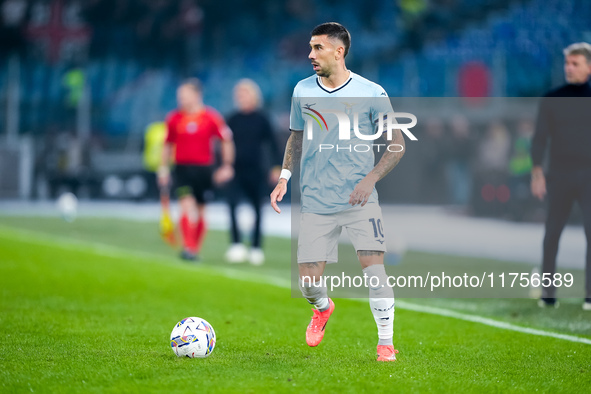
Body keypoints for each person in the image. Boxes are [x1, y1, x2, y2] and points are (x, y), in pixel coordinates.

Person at [270, 22, 407, 361]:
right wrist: (284, 177)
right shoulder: (302, 90)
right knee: (308, 284)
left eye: (317, 48)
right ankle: (322, 308)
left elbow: (397, 145)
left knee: (375, 270)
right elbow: (296, 137)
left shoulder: (372, 93)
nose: (310, 54)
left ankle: (385, 343)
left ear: (338, 51)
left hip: (359, 200)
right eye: (310, 47)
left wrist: (370, 179)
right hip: (316, 200)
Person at [530, 42, 591, 310]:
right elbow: (540, 138)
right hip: (560, 174)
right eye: (567, 63)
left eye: (575, 63)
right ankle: (548, 293)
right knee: (552, 233)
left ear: (589, 66)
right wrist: (537, 172)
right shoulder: (552, 98)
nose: (569, 68)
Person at [158, 78, 235, 261]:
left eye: (185, 95)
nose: (181, 99)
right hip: (182, 169)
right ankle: (188, 247)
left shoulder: (210, 117)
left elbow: (226, 140)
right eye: (180, 96)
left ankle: (194, 249)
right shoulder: (174, 118)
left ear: (197, 95)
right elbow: (167, 145)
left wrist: (227, 165)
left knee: (200, 209)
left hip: (204, 169)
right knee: (185, 205)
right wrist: (163, 169)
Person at [224, 79, 281, 265]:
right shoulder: (232, 119)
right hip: (236, 170)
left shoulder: (262, 119)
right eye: (239, 95)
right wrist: (225, 166)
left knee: (258, 209)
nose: (242, 98)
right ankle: (236, 245)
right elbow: (224, 145)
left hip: (256, 170)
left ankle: (256, 247)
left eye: (245, 94)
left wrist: (276, 167)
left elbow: (273, 144)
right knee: (232, 205)